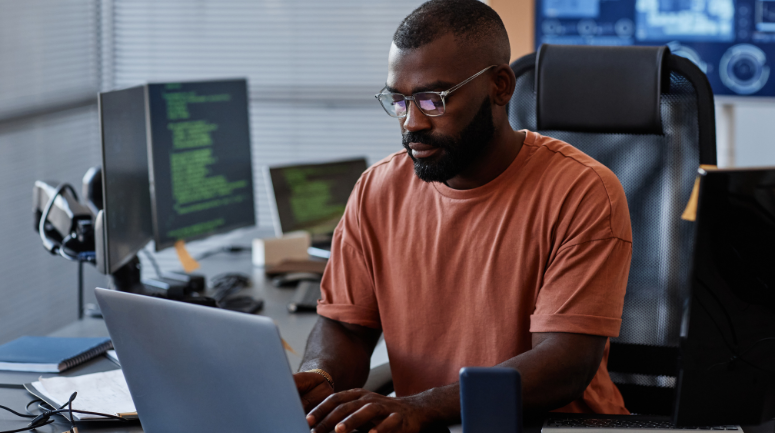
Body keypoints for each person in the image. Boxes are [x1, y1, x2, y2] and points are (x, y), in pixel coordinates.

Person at [294, 1, 633, 432]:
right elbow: (346, 327)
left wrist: (420, 406)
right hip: (430, 421)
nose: (411, 123)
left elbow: (566, 361)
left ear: (500, 86)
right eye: (399, 101)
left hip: (549, 425)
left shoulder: (583, 191)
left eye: (432, 100)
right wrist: (319, 377)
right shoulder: (376, 190)